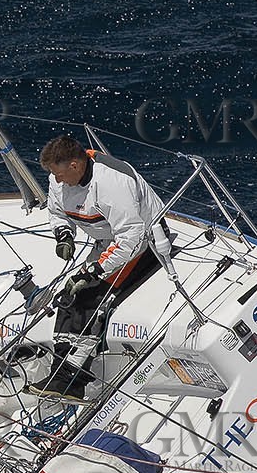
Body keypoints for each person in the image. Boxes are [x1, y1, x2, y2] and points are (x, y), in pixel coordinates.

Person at [25, 135, 174, 396]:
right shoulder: (58, 178)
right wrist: (64, 235)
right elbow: (57, 212)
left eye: (59, 174)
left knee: (90, 296)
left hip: (143, 243)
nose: (56, 180)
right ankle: (60, 372)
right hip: (108, 242)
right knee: (67, 297)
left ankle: (72, 381)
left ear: (75, 165)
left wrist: (95, 270)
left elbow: (132, 237)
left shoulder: (113, 183)